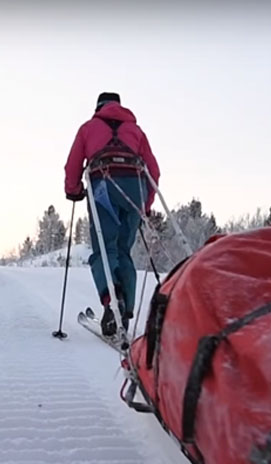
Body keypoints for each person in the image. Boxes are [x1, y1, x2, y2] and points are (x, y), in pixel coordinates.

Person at [63, 92, 161, 337]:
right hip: (134, 190)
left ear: (98, 107)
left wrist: (73, 190)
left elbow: (72, 165)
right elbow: (154, 171)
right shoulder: (136, 131)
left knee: (104, 250)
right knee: (123, 251)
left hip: (103, 187)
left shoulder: (88, 128)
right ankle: (124, 313)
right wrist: (146, 205)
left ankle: (111, 299)